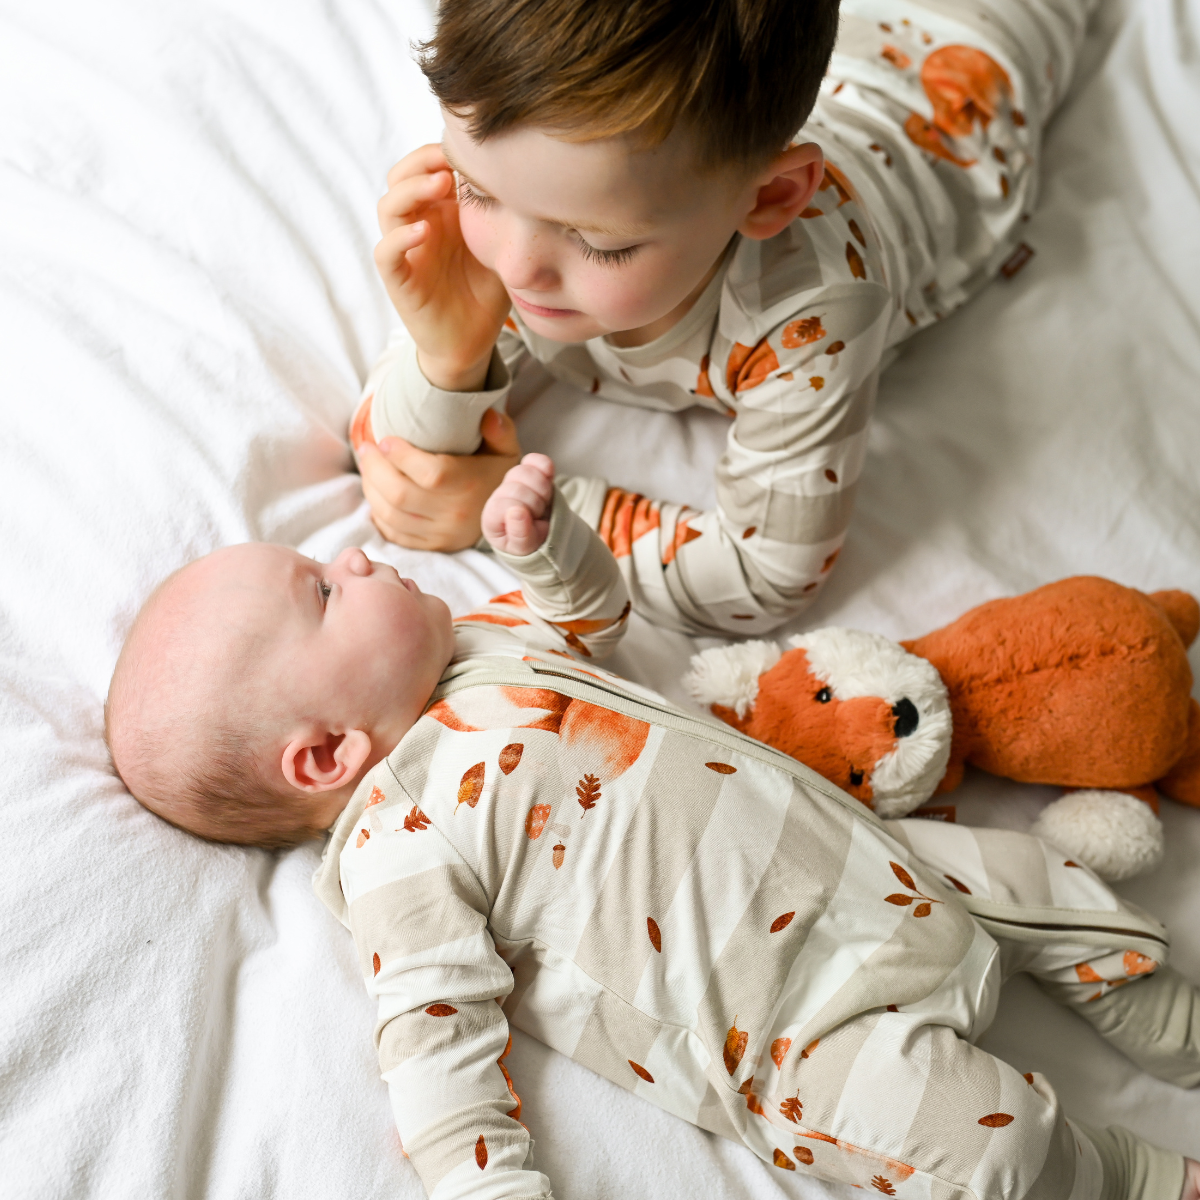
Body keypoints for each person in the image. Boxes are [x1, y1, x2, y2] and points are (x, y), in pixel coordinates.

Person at [106, 455, 1200, 1200]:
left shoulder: (482, 638)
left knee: (1042, 880)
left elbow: (593, 622)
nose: (350, 558)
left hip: (876, 866)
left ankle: (1174, 1028)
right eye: (321, 593)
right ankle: (1132, 1178)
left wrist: (550, 552)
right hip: (798, 1029)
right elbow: (433, 1040)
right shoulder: (396, 845)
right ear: (326, 756)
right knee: (984, 1147)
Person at [350, 0, 1091, 636]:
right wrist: (448, 357)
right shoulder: (537, 191)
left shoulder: (814, 308)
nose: (514, 269)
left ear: (768, 200)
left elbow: (764, 574)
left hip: (981, 63)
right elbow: (393, 458)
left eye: (601, 244)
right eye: (474, 190)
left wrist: (515, 514)